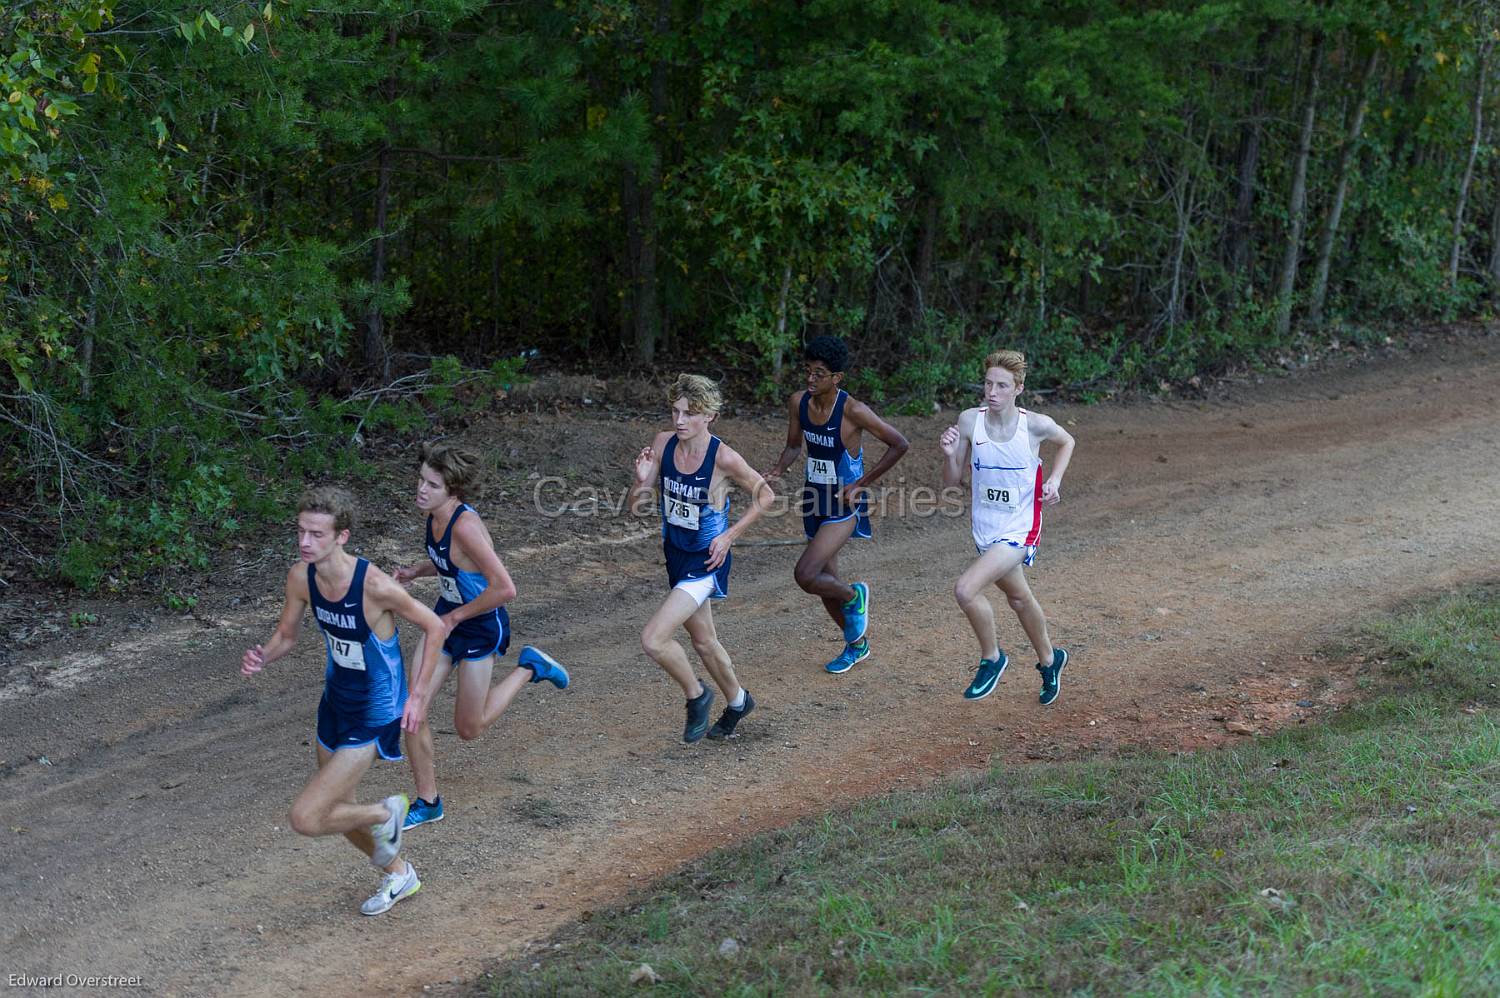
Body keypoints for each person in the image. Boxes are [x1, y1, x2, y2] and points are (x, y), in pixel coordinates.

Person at [241, 486, 447, 915]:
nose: (304, 542)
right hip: (335, 704)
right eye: (301, 532)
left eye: (317, 534)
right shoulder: (302, 577)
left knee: (307, 817)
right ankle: (399, 874)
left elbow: (434, 627)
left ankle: (384, 813)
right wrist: (263, 655)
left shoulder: (375, 585)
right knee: (338, 808)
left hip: (377, 711)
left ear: (342, 537)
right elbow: (286, 635)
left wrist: (418, 697)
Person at [390, 442, 570, 829]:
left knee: (468, 729)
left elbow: (505, 589)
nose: (421, 489)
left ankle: (529, 667)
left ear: (452, 490)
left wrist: (456, 616)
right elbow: (449, 564)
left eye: (432, 485)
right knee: (412, 708)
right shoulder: (434, 516)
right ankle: (428, 801)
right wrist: (414, 571)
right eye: (421, 480)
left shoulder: (466, 527)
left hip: (480, 625)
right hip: (447, 620)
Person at [630, 374, 773, 742]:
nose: (679, 421)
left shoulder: (723, 457)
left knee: (654, 639)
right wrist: (642, 479)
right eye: (675, 411)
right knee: (704, 641)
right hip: (675, 556)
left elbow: (766, 496)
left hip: (706, 561)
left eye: (689, 414)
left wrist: (728, 536)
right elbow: (637, 507)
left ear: (708, 416)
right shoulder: (663, 444)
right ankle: (739, 701)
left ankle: (697, 695)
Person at [763, 336, 909, 674]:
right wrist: (778, 468)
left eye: (819, 373)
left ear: (837, 378)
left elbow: (899, 444)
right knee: (824, 581)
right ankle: (856, 645)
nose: (810, 379)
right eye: (807, 371)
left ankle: (855, 596)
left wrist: (862, 484)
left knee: (806, 574)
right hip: (814, 499)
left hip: (844, 506)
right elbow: (794, 446)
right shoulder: (798, 402)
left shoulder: (853, 410)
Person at [940, 349, 1075, 705]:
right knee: (1018, 598)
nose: (992, 392)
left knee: (966, 590)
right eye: (988, 383)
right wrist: (950, 455)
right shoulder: (970, 421)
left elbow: (1067, 441)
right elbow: (952, 482)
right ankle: (1051, 660)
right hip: (985, 527)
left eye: (1002, 385)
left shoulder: (1035, 425)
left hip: (1020, 527)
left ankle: (992, 659)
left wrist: (1055, 481)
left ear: (1018, 388)